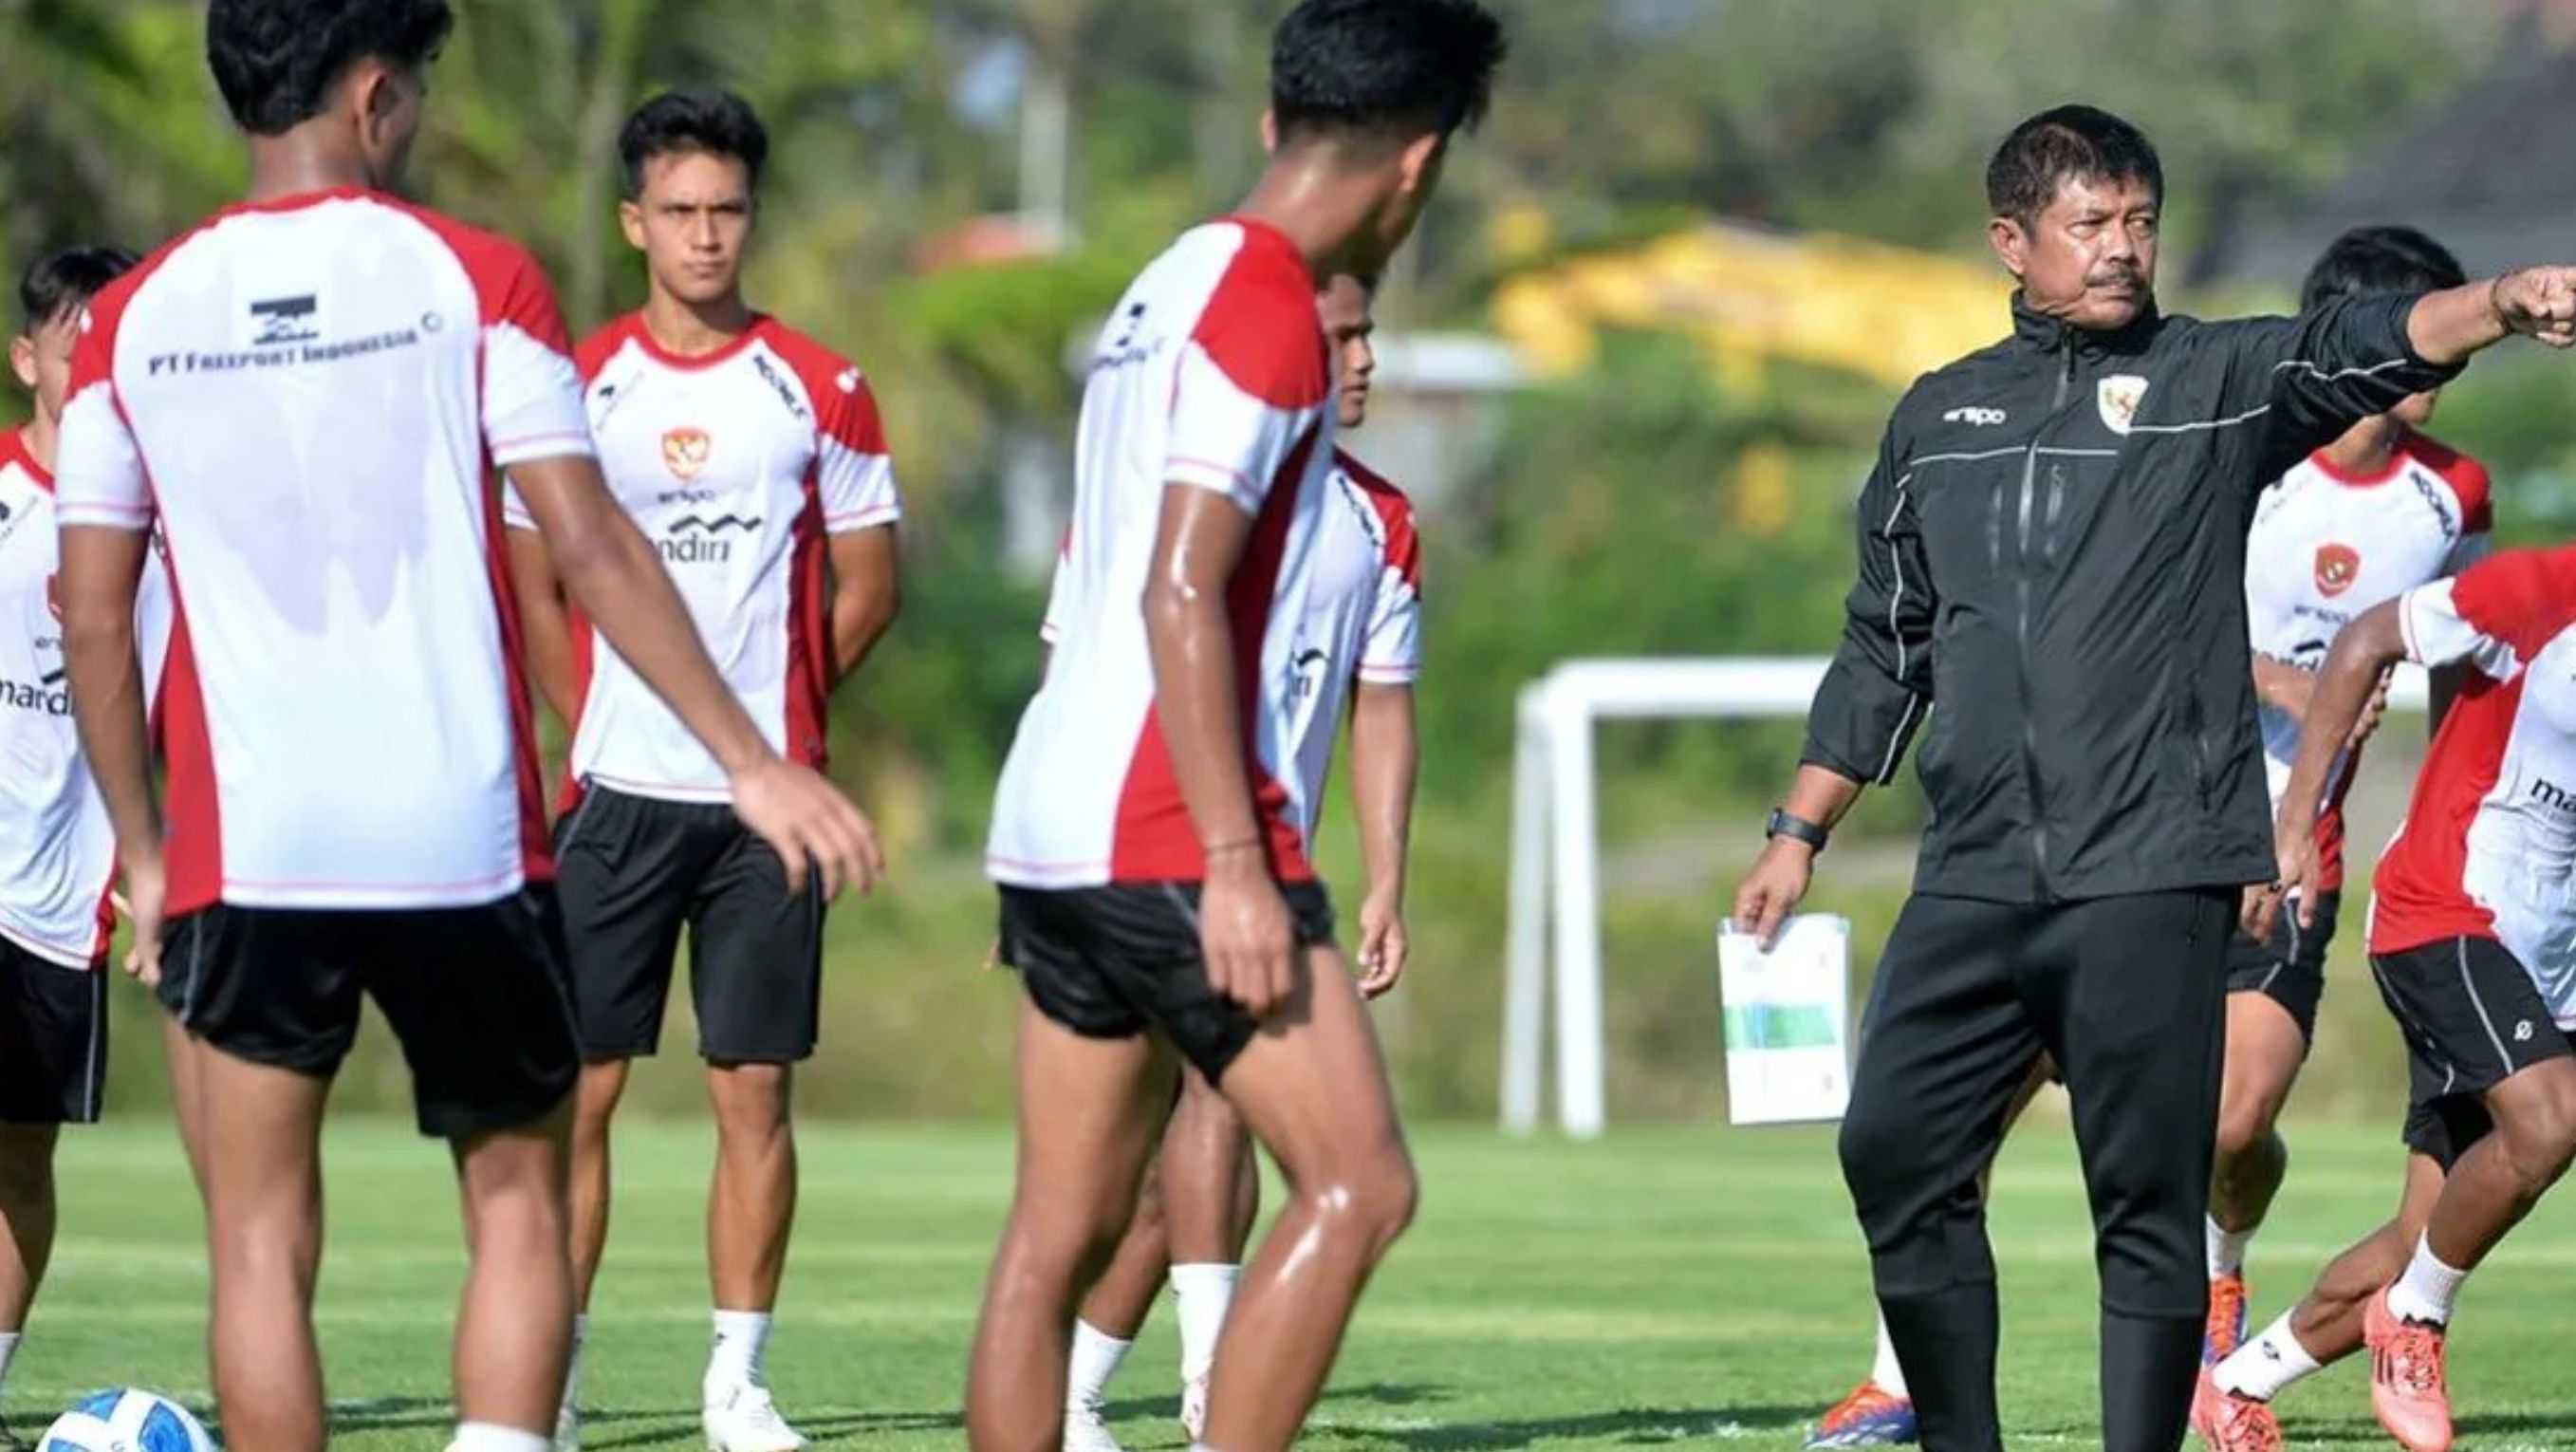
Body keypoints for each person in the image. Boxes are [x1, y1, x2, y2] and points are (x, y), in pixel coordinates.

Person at [50, 5, 884, 1451]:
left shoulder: (132, 321)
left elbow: (89, 609)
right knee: (514, 1207)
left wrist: (139, 843)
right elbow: (592, 541)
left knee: (257, 1247)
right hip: (462, 842)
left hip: (251, 847)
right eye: (419, 86)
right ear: (374, 94)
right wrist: (751, 761)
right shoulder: (475, 276)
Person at [1730, 102, 2576, 1452]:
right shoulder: (1935, 414)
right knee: (1889, 1147)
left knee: (2142, 1196)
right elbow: (1880, 636)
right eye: (2088, 224)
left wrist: (2495, 300)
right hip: (1973, 866)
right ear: (2010, 239)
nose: (2120, 248)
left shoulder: (2208, 382)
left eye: (2138, 222)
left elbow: (2351, 343)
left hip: (2153, 868)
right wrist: (1798, 826)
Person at [969, 1, 1504, 1448]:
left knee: (1053, 1229)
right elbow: (1175, 585)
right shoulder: (1272, 304)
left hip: (1049, 818)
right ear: (1415, 167)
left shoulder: (1166, 278)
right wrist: (1228, 857)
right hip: (1164, 823)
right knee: (1358, 1182)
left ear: (1275, 123)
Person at [502, 86, 902, 1452]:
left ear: (752, 217)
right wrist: (596, 723)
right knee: (581, 1092)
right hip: (615, 794)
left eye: (726, 209)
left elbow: (867, 586)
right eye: (678, 210)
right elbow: (537, 586)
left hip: (763, 813)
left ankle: (736, 1383)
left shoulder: (822, 386)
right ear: (634, 221)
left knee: (755, 1088)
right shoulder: (577, 386)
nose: (704, 234)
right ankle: (544, 1376)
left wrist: (779, 726)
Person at [1060, 270, 1422, 1452]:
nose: (1364, 357)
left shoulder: (1383, 522)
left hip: (1269, 874)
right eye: (1343, 335)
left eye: (1369, 333)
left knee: (1195, 1166)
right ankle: (1213, 1393)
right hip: (1135, 855)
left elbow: (1381, 709)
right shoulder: (1161, 503)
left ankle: (1084, 1398)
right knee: (1139, 1160)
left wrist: (1383, 880)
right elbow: (1074, 680)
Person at [2199, 543, 2576, 1452]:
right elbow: (2368, 636)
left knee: (2426, 1229)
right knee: (2551, 1121)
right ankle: (2414, 1322)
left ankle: (2236, 1385)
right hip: (2442, 909)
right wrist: (2292, 824)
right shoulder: (2535, 590)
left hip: (2546, 953)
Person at [0, 244, 158, 1419]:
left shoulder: (172, 522)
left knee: (21, 1161)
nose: (96, 365)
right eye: (75, 344)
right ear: (27, 362)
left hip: (66, 905)